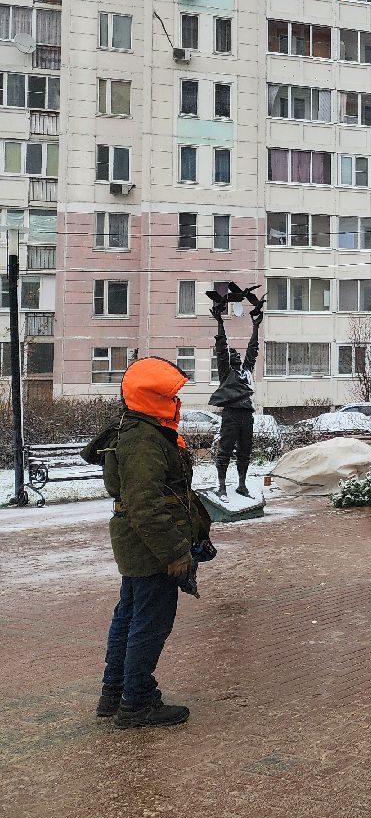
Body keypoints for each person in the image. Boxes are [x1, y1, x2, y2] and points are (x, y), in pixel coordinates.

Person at [85, 357, 208, 728]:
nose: (177, 403)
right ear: (151, 397)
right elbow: (145, 505)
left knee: (129, 616)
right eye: (170, 396)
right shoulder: (142, 438)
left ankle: (115, 692)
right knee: (149, 623)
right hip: (150, 547)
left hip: (140, 543)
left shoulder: (138, 429)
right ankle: (137, 701)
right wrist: (174, 552)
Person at [210, 296, 262, 498]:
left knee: (245, 451)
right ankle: (222, 486)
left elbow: (253, 351)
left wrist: (255, 327)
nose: (238, 357)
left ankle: (242, 484)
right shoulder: (226, 373)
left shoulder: (246, 371)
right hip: (231, 415)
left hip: (247, 416)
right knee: (225, 450)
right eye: (235, 356)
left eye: (238, 355)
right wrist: (220, 323)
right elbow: (222, 349)